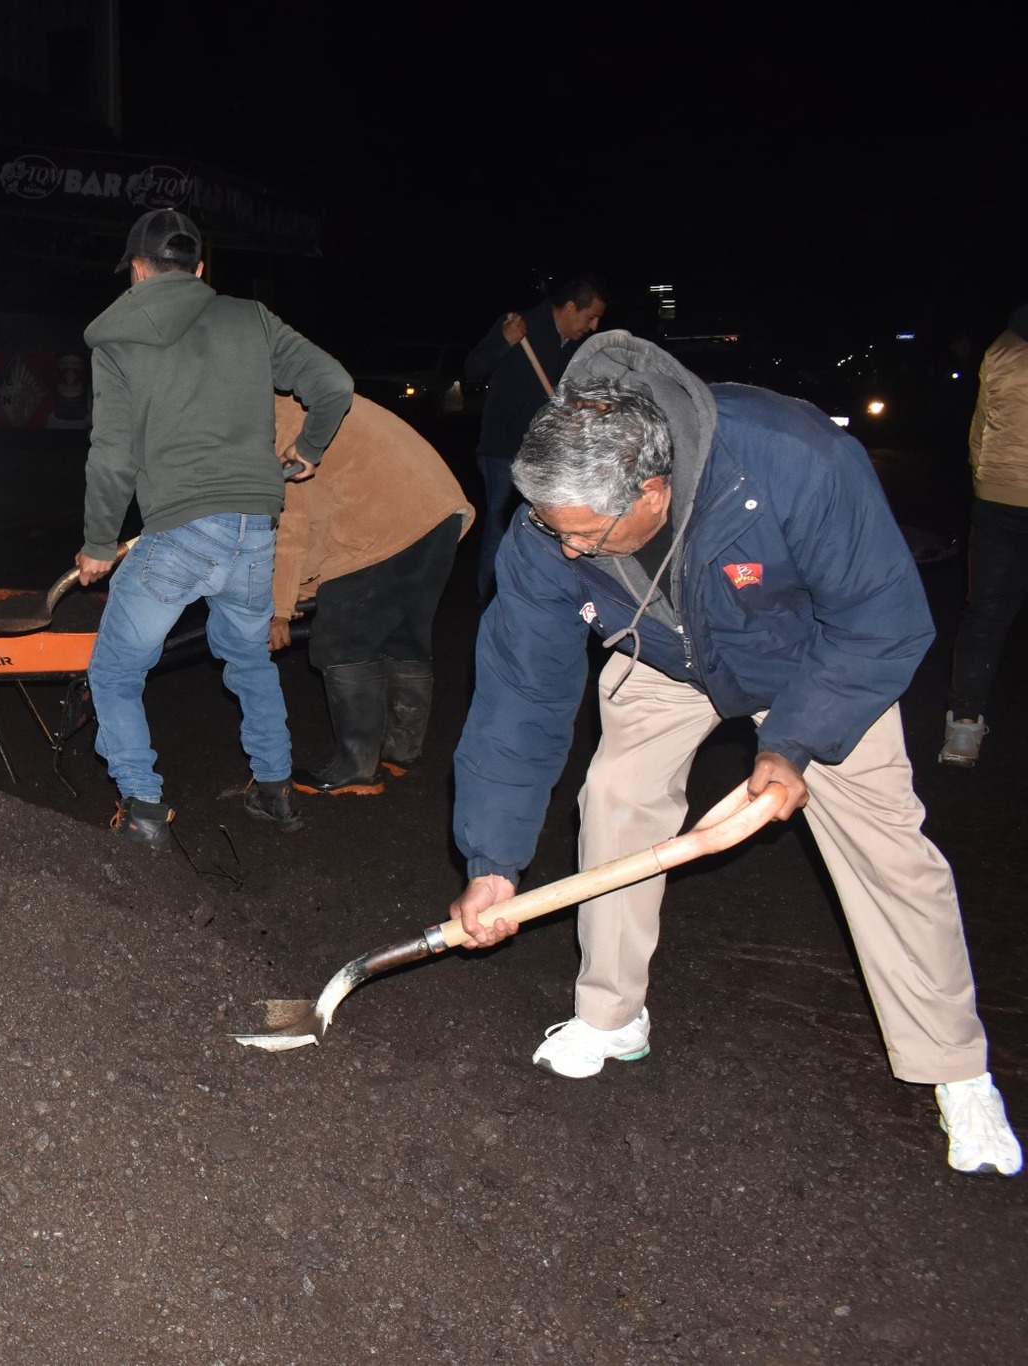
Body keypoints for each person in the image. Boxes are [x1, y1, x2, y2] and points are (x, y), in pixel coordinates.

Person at [447, 330, 1020, 1178]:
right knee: (616, 795)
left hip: (814, 659)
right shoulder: (549, 526)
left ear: (651, 492)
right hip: (664, 651)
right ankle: (611, 1014)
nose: (566, 551)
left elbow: (880, 622)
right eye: (552, 530)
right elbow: (518, 697)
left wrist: (794, 744)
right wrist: (493, 862)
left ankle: (957, 1068)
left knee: (887, 853)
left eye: (584, 537)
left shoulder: (795, 460)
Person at [76, 208, 354, 850]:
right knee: (248, 657)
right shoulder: (251, 318)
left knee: (114, 672)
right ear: (199, 269)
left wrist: (97, 544)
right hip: (255, 528)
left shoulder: (116, 340)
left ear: (137, 270)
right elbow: (333, 383)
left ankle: (143, 806)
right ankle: (275, 788)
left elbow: (112, 456)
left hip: (180, 531)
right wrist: (309, 448)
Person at [268, 395, 474, 795]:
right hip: (438, 511)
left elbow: (291, 523)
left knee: (343, 640)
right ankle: (401, 752)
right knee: (403, 635)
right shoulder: (300, 397)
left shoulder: (274, 423)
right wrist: (300, 591)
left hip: (382, 520)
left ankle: (356, 768)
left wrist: (279, 607)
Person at [463, 274, 609, 600]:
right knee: (501, 531)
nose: (594, 326)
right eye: (590, 317)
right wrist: (504, 340)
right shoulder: (520, 325)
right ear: (570, 307)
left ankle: (531, 599)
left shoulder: (574, 348)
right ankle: (492, 604)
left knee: (545, 531)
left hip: (548, 455)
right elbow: (473, 367)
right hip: (504, 451)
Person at [940, 303, 1028, 766]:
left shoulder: (1003, 347)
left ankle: (963, 728)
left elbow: (980, 427)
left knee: (987, 613)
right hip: (999, 495)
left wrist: (986, 483)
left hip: (999, 497)